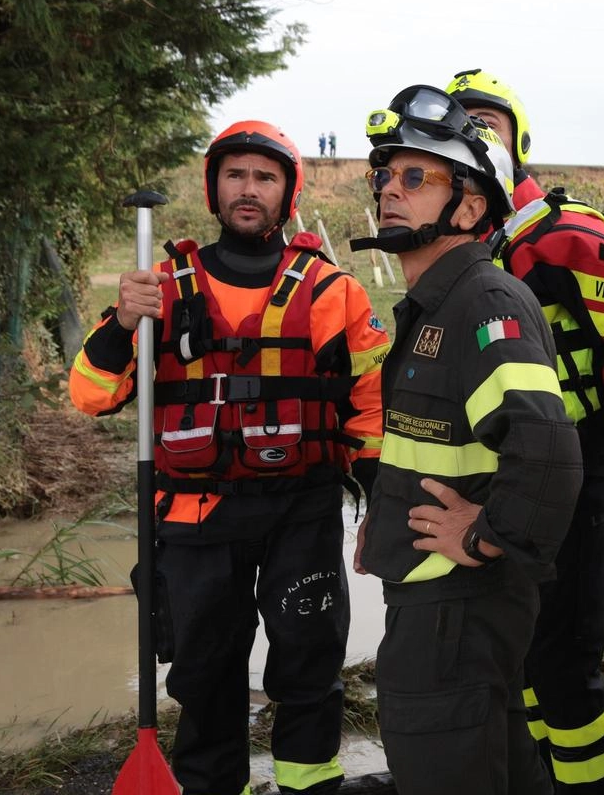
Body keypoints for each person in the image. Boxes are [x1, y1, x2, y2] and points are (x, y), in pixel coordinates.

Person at [69, 121, 389, 795]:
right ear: (214, 188)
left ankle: (310, 784)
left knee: (308, 664)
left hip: (302, 510)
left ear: (287, 194)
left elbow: (371, 408)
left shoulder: (336, 294)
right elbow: (91, 396)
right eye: (235, 175)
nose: (249, 189)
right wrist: (124, 324)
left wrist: (379, 503)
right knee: (206, 673)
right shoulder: (156, 290)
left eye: (265, 177)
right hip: (193, 515)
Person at [349, 85, 580, 795]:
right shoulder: (436, 305)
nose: (391, 189)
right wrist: (384, 521)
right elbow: (435, 442)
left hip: (458, 605)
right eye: (384, 175)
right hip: (440, 602)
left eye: (416, 176)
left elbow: (548, 449)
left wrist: (485, 539)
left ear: (472, 205)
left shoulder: (484, 302)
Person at [447, 67, 604, 794]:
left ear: (517, 139)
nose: (473, 134)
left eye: (486, 123)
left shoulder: (569, 231)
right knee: (520, 654)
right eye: (459, 124)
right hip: (495, 471)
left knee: (564, 663)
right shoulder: (465, 242)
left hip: (570, 466)